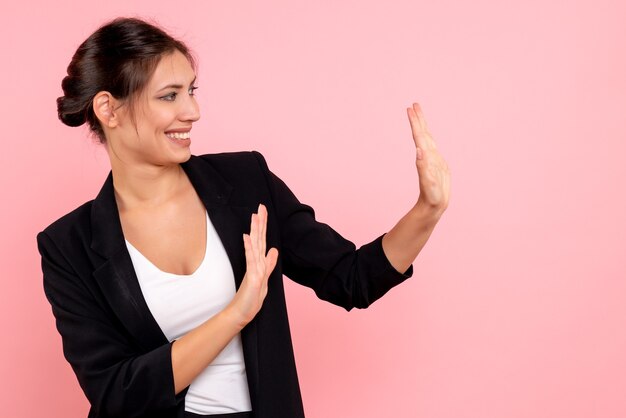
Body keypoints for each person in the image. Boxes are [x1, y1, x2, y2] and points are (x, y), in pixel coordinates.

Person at [36, 17, 450, 418]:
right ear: (109, 109)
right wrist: (236, 313)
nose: (192, 111)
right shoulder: (68, 246)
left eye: (192, 91)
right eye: (170, 96)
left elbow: (352, 279)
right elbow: (116, 392)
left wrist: (427, 210)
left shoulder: (247, 182)